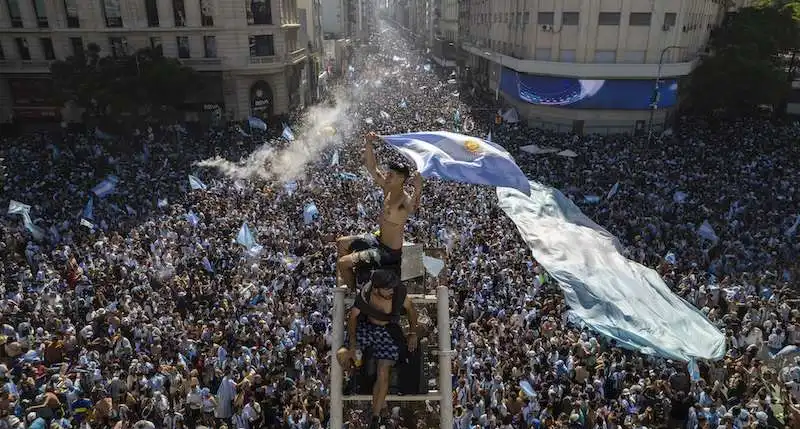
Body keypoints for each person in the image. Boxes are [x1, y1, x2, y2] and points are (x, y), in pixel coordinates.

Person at [336, 131, 423, 290]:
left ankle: (354, 293)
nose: (387, 175)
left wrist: (418, 190)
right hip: (377, 240)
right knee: (341, 243)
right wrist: (368, 143)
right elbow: (372, 168)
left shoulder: (404, 200)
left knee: (343, 263)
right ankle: (355, 277)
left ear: (402, 179)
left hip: (388, 252)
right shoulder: (387, 188)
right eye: (388, 173)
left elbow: (412, 208)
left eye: (392, 174)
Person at [335, 269, 419, 429]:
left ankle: (375, 417)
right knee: (342, 355)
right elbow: (352, 317)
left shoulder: (399, 294)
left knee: (383, 371)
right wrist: (352, 343)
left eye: (392, 287)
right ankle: (354, 371)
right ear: (376, 288)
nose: (391, 290)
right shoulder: (365, 296)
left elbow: (411, 309)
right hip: (366, 327)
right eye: (387, 288)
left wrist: (412, 332)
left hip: (388, 330)